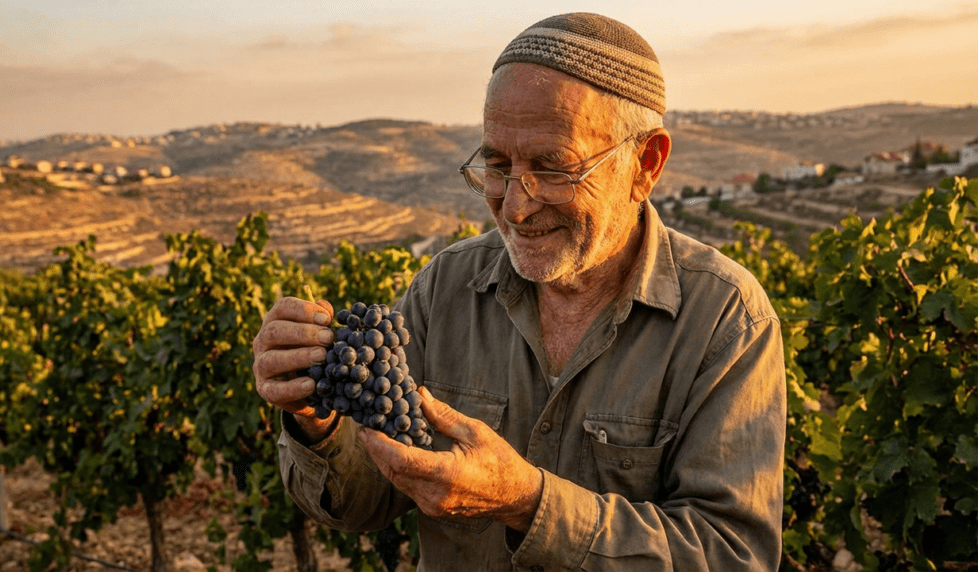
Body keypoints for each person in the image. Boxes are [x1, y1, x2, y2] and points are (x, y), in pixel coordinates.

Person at [253, 12, 786, 571]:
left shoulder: (726, 320)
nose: (514, 206)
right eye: (497, 166)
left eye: (553, 169)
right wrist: (319, 421)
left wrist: (529, 504)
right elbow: (365, 500)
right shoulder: (445, 289)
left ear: (645, 164)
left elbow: (733, 556)